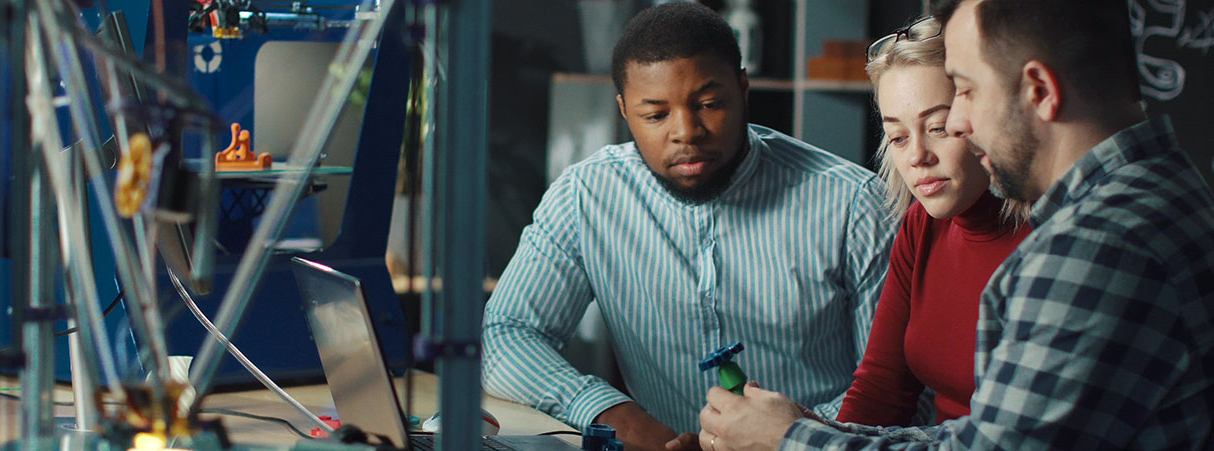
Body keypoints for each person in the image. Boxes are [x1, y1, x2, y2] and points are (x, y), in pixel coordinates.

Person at [695, 1, 1214, 449]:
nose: (962, 124)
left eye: (964, 92)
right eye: (897, 136)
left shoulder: (1091, 248)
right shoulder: (1163, 186)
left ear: (1039, 89)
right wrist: (809, 431)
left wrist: (791, 440)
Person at [481, 3, 895, 450]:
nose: (686, 132)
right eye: (656, 115)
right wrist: (613, 414)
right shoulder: (586, 195)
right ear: (623, 110)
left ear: (742, 89)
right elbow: (506, 334)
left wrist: (786, 436)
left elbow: (898, 391)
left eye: (709, 104)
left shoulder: (853, 203)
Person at [833, 15, 1031, 429]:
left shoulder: (1051, 240)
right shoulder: (921, 226)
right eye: (899, 138)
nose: (917, 156)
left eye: (938, 128)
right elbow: (881, 391)